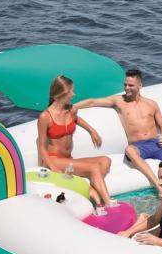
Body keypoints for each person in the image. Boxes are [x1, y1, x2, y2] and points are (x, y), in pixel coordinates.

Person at [73, 69, 162, 195]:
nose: (127, 88)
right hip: (138, 146)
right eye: (125, 85)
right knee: (129, 150)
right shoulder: (119, 101)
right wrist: (73, 107)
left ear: (140, 85)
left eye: (131, 85)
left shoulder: (151, 104)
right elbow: (92, 102)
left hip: (155, 143)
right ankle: (156, 183)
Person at [38, 75, 114, 207]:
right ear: (61, 93)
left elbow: (76, 119)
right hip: (54, 160)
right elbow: (42, 148)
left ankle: (91, 189)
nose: (74, 94)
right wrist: (54, 168)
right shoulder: (45, 117)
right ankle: (108, 203)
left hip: (68, 160)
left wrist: (91, 130)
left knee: (105, 160)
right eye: (71, 91)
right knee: (94, 168)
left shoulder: (71, 110)